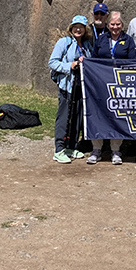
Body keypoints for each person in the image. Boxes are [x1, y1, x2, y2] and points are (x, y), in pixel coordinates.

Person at [88, 11, 136, 164]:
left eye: (118, 24)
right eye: (112, 24)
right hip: (101, 83)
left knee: (119, 113)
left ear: (122, 25)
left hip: (120, 84)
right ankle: (96, 149)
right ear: (108, 25)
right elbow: (94, 59)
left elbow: (132, 62)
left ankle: (116, 150)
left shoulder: (128, 40)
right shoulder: (102, 39)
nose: (115, 27)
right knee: (98, 113)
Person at [48, 15, 93, 163]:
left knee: (77, 117)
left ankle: (71, 146)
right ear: (71, 28)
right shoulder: (64, 42)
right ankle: (59, 149)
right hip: (67, 86)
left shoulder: (87, 45)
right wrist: (70, 66)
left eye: (81, 27)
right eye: (75, 26)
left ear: (85, 29)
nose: (78, 29)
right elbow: (53, 62)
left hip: (81, 87)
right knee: (64, 117)